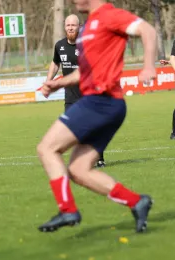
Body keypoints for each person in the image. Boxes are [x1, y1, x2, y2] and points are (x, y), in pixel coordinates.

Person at [37, 0, 156, 233]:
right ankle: (137, 202)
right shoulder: (91, 24)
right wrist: (57, 84)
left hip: (100, 101)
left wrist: (148, 66)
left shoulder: (109, 16)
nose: (73, 2)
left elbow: (147, 30)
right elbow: (84, 72)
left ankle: (67, 209)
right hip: (107, 104)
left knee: (47, 148)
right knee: (79, 170)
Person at [47, 15, 107, 169]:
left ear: (79, 26)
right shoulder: (59, 46)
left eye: (73, 25)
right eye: (68, 25)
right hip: (71, 97)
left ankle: (98, 157)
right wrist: (49, 80)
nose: (71, 28)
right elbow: (55, 63)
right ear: (65, 27)